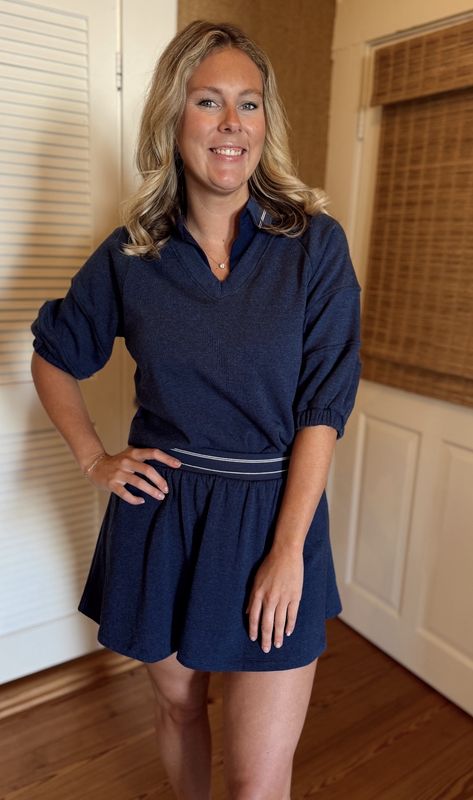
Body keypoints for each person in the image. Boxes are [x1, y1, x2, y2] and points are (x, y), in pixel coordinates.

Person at [30, 19, 361, 800]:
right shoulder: (130, 254)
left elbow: (323, 405)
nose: (230, 125)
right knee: (180, 715)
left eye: (247, 105)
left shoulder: (313, 246)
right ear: (173, 119)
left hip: (274, 517)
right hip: (164, 518)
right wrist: (93, 457)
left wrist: (288, 552)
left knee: (257, 782)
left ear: (264, 125)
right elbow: (54, 354)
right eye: (207, 102)